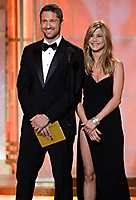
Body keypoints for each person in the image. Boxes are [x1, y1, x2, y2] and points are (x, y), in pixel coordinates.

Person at [16, 4, 84, 200]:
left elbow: (72, 93)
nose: (48, 25)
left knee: (62, 181)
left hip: (59, 126)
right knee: (25, 177)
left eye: (52, 21)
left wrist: (47, 117)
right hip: (32, 127)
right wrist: (35, 118)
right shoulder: (29, 51)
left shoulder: (74, 53)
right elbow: (22, 87)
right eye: (44, 21)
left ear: (61, 22)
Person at [76, 21, 130, 200]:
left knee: (111, 174)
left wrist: (95, 121)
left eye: (99, 35)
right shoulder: (80, 65)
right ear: (87, 39)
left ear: (106, 39)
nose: (95, 39)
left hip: (108, 123)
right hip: (86, 122)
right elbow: (76, 99)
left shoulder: (116, 65)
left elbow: (116, 98)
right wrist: (87, 124)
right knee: (89, 173)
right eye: (92, 35)